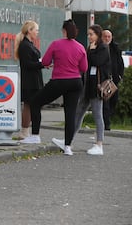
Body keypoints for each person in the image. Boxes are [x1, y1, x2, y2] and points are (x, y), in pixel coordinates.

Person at [26, 19, 87, 156]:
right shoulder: (80, 47)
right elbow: (84, 68)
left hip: (59, 81)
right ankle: (68, 147)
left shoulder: (56, 44)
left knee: (35, 102)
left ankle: (35, 135)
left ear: (64, 31)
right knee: (70, 114)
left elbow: (46, 61)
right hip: (75, 82)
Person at [64, 24, 110, 155]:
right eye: (88, 34)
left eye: (91, 34)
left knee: (97, 115)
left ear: (97, 35)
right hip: (87, 85)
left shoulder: (102, 48)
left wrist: (92, 51)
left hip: (97, 87)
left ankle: (99, 144)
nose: (89, 37)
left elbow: (96, 61)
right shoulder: (90, 47)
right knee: (78, 113)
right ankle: (69, 140)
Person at [13, 20, 44, 141]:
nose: (37, 32)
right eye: (36, 30)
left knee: (29, 105)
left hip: (33, 78)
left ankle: (26, 131)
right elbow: (27, 64)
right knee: (29, 105)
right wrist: (42, 64)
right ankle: (25, 131)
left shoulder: (29, 44)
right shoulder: (25, 46)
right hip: (30, 80)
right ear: (29, 31)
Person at [102, 29, 125, 130]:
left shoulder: (115, 49)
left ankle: (107, 118)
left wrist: (120, 75)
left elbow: (120, 63)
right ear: (101, 37)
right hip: (103, 80)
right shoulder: (99, 48)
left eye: (109, 37)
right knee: (105, 102)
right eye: (105, 36)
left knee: (114, 100)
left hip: (114, 80)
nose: (107, 39)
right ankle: (106, 124)